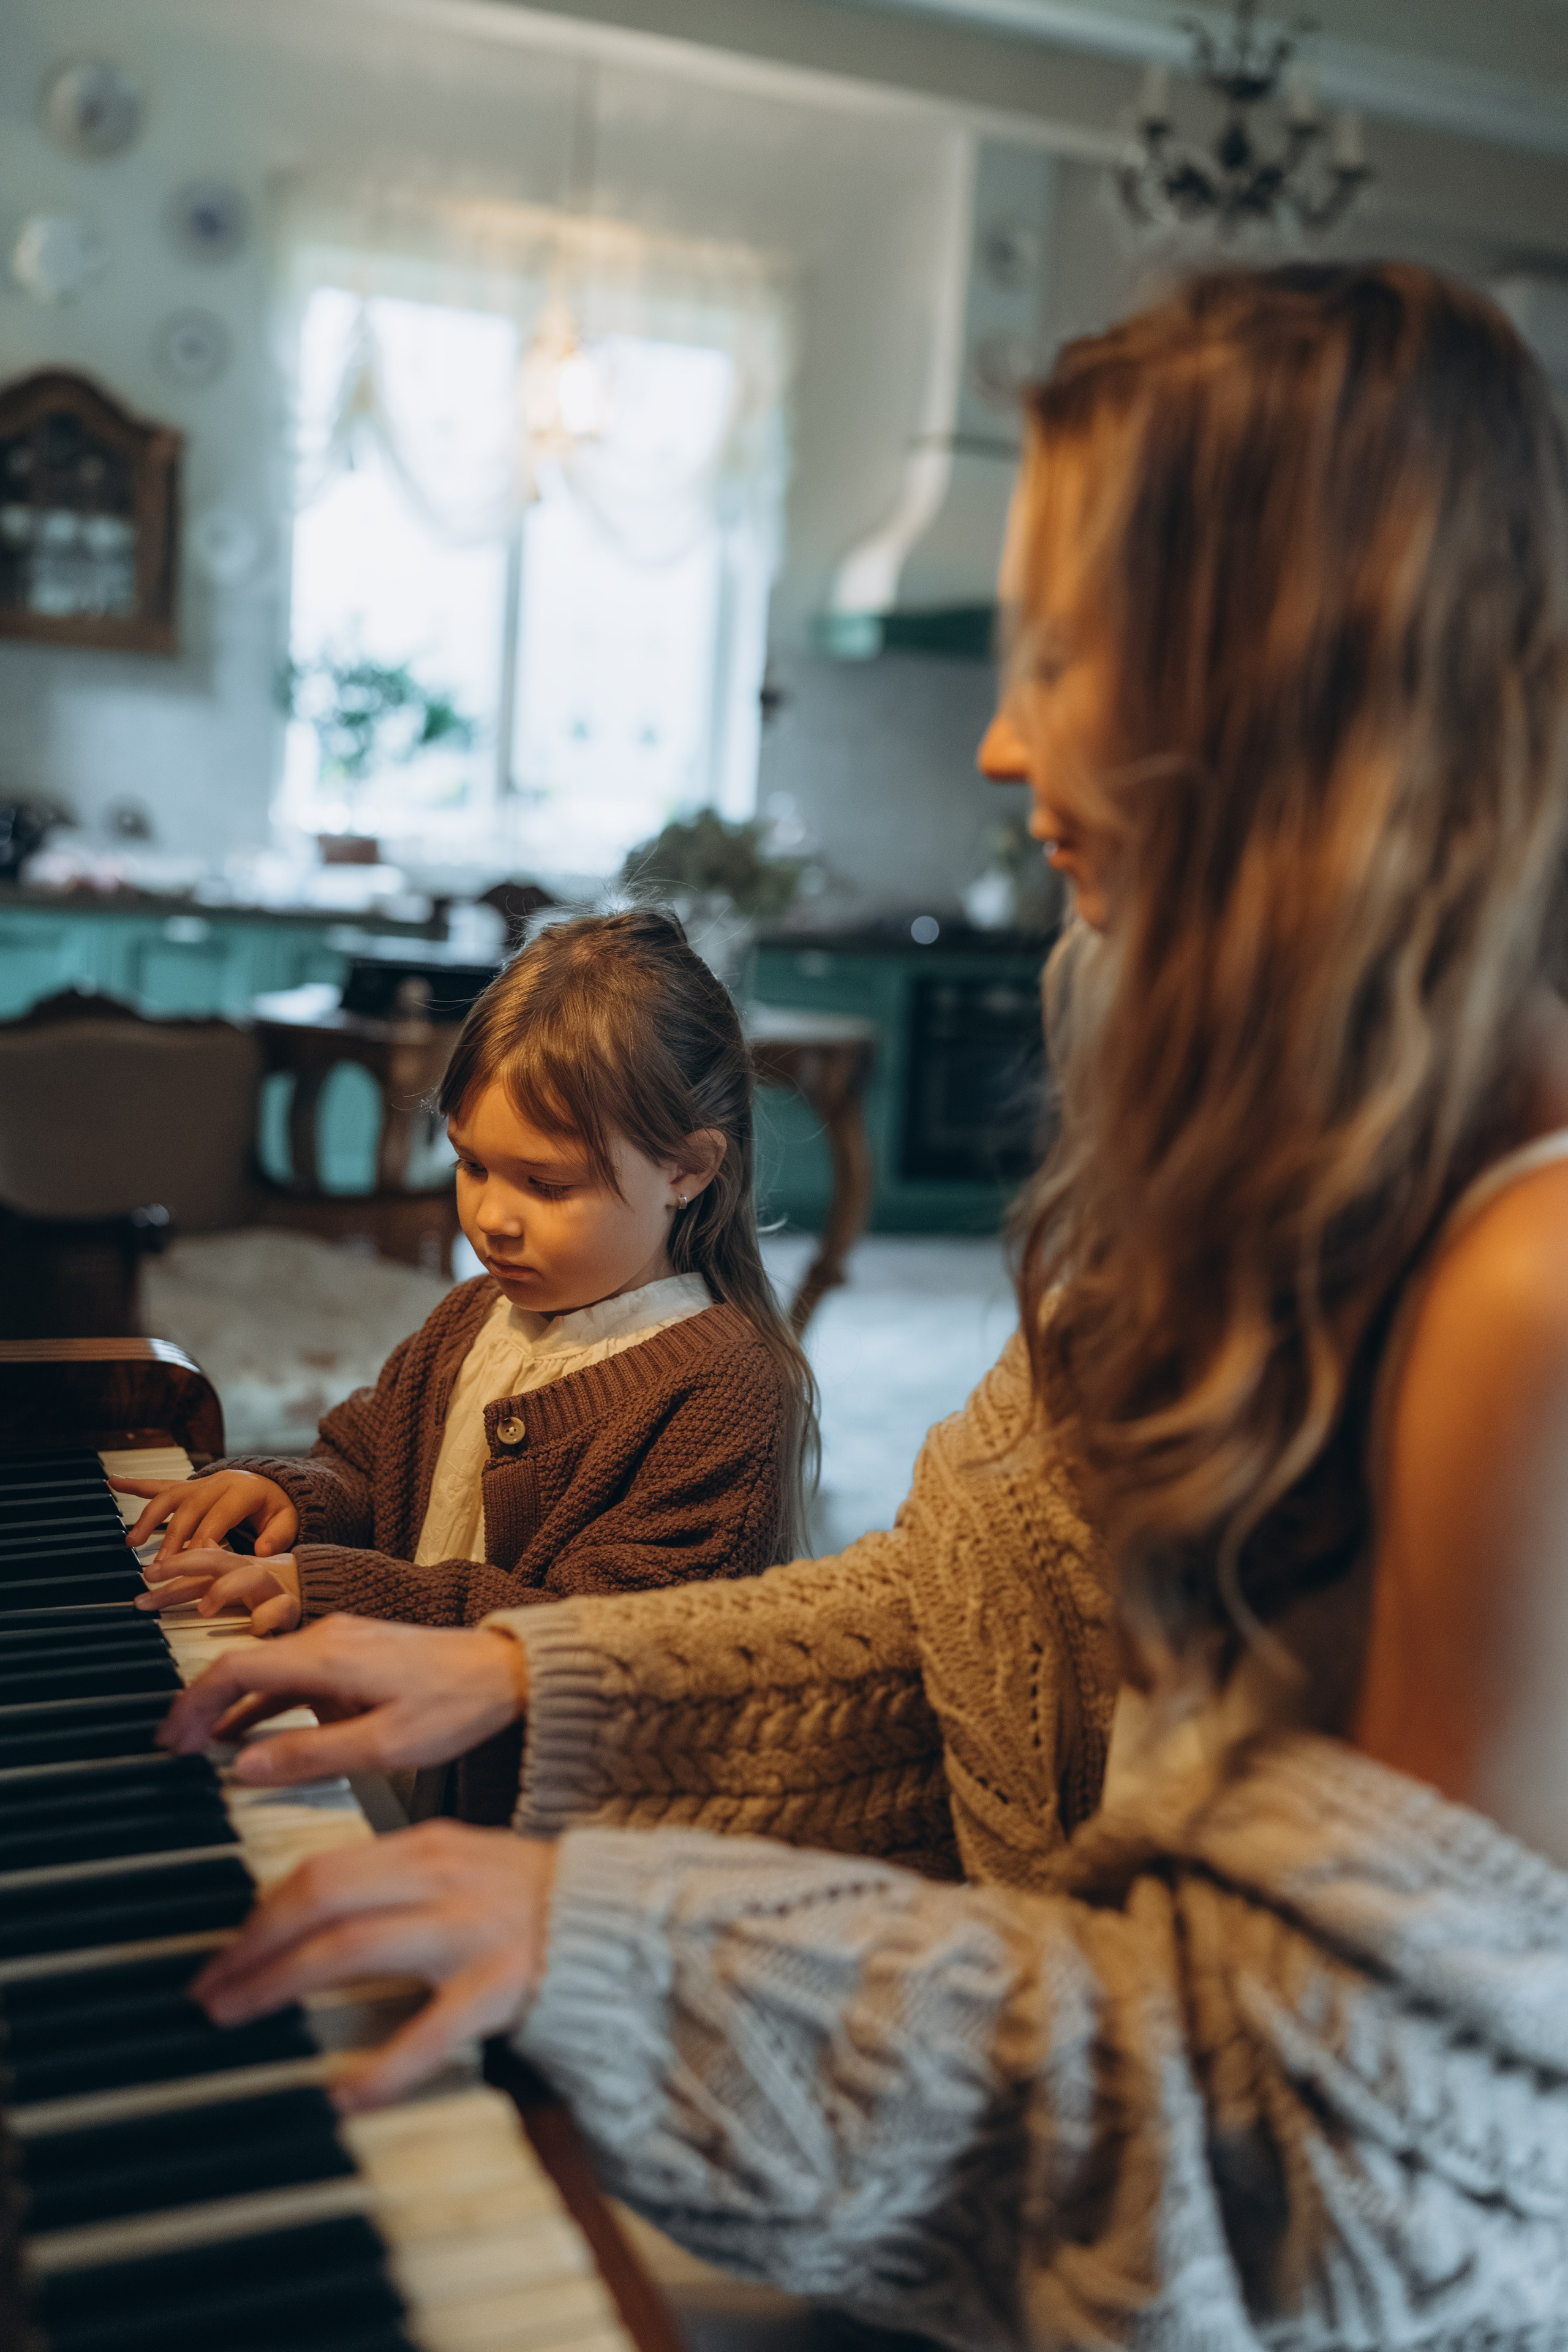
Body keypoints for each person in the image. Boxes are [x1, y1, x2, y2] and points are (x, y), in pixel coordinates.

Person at [162, 265, 1568, 2346]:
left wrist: (620, 1940)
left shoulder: (1522, 1290)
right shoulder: (1227, 1166)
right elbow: (945, 1604)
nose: (1003, 738)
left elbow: (1321, 2154)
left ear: (1282, 684)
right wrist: (528, 1675)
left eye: (1062, 654)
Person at [124, 911, 815, 1810]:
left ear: (687, 1169)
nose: (492, 1215)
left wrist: (331, 1588)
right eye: (471, 1164)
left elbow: (582, 1644)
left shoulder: (725, 1388)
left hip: (555, 1845)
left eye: (546, 1183)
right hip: (416, 1780)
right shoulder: (473, 1317)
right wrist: (290, 1495)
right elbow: (367, 1467)